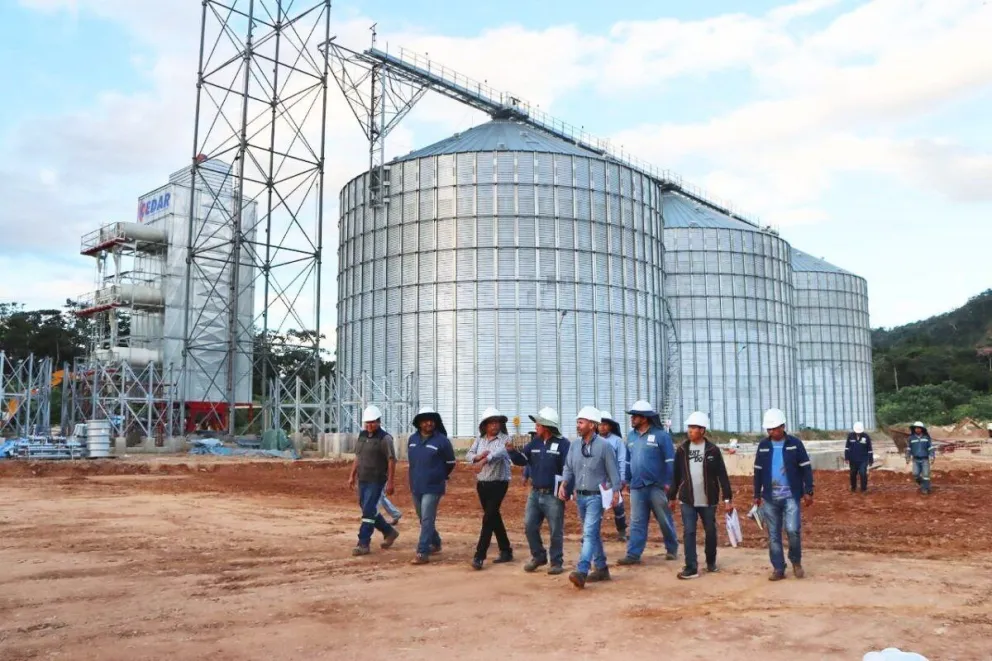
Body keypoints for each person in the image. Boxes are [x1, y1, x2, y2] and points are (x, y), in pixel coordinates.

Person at [559, 406, 621, 589]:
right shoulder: (575, 445)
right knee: (592, 533)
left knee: (588, 534)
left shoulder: (605, 447)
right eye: (578, 422)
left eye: (581, 422)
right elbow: (568, 467)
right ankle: (601, 568)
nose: (578, 425)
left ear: (592, 425)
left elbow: (613, 471)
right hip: (581, 497)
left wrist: (616, 491)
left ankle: (582, 570)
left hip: (596, 497)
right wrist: (564, 483)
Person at [753, 408, 814, 581]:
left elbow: (806, 468)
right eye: (769, 429)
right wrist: (756, 494)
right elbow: (757, 471)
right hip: (770, 498)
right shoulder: (764, 446)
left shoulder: (795, 444)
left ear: (783, 426)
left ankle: (796, 562)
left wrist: (808, 490)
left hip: (791, 496)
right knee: (773, 535)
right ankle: (778, 568)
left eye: (774, 429)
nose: (771, 432)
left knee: (793, 531)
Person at [507, 407, 570, 575]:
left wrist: (567, 488)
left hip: (553, 494)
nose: (536, 426)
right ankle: (539, 556)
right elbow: (522, 460)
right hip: (535, 493)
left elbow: (568, 468)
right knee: (529, 526)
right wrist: (512, 452)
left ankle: (556, 562)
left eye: (538, 423)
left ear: (547, 426)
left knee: (555, 529)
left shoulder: (564, 444)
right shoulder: (534, 443)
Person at [616, 399, 680, 566]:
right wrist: (627, 480)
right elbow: (628, 461)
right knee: (637, 521)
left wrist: (669, 483)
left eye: (634, 416)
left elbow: (670, 461)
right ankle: (633, 554)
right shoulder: (631, 437)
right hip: (637, 487)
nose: (632, 419)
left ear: (644, 418)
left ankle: (672, 548)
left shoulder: (661, 436)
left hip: (657, 486)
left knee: (664, 518)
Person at [670, 411, 733, 579]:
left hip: (708, 499)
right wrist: (671, 497)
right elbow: (676, 474)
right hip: (687, 499)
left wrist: (727, 499)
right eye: (689, 427)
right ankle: (691, 567)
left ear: (702, 430)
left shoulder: (713, 450)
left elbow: (722, 476)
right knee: (689, 531)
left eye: (694, 428)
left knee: (710, 530)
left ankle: (711, 561)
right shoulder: (682, 450)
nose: (690, 430)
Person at [347, 405, 400, 556]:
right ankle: (389, 532)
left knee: (369, 510)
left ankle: (363, 543)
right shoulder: (362, 436)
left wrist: (390, 482)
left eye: (372, 422)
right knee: (367, 509)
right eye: (367, 423)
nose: (369, 425)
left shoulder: (385, 438)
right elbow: (358, 457)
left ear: (379, 422)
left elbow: (391, 460)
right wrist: (352, 475)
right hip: (363, 478)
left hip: (376, 480)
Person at [465, 407, 514, 570]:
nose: (495, 425)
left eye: (497, 422)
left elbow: (499, 453)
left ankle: (479, 556)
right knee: (493, 517)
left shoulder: (505, 439)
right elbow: (469, 455)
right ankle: (506, 550)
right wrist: (477, 457)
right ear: (484, 426)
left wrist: (484, 460)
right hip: (482, 483)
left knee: (487, 519)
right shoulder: (480, 440)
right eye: (491, 422)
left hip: (499, 483)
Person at [407, 406, 456, 565]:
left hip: (433, 486)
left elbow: (450, 463)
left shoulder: (442, 441)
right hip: (416, 485)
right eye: (425, 421)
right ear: (419, 423)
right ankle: (435, 541)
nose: (429, 423)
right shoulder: (412, 440)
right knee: (423, 517)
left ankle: (422, 552)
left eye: (431, 420)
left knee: (427, 518)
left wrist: (440, 475)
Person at [598, 410, 629, 542]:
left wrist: (622, 479)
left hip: (613, 479)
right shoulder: (592, 440)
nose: (603, 427)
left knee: (618, 507)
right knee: (595, 507)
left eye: (606, 424)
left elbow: (622, 460)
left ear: (610, 426)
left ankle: (621, 532)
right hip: (597, 479)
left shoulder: (617, 441)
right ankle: (591, 533)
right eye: (600, 424)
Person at [905, 421, 935, 495]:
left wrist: (932, 455)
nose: (917, 429)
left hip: (925, 459)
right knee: (915, 474)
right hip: (916, 459)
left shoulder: (926, 438)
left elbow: (930, 447)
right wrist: (907, 457)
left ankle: (925, 489)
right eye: (916, 428)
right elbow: (908, 449)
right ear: (914, 429)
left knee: (925, 475)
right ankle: (923, 484)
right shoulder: (911, 438)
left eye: (919, 428)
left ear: (922, 429)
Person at [845, 422, 874, 493]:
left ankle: (863, 488)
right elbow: (847, 448)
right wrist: (846, 457)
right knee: (852, 473)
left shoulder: (866, 436)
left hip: (863, 459)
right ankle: (853, 487)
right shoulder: (850, 436)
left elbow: (870, 449)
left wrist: (870, 460)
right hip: (853, 459)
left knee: (862, 473)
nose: (858, 433)